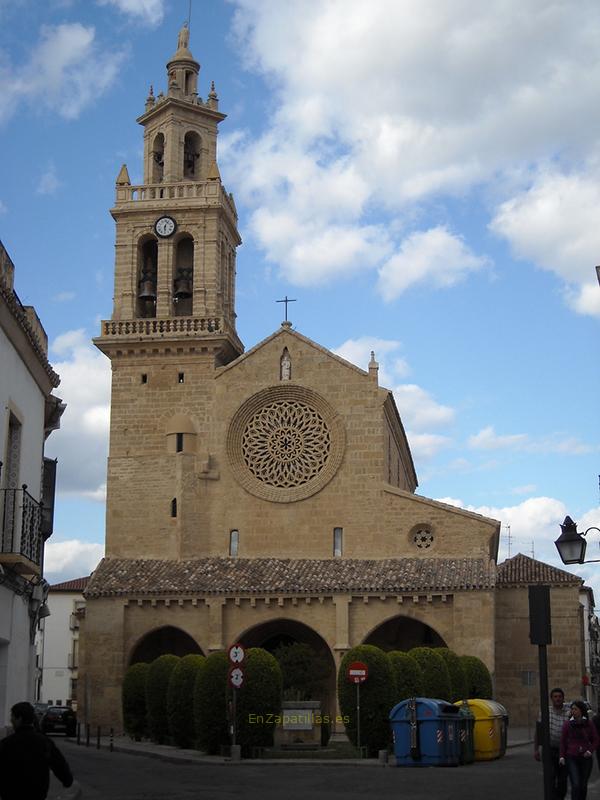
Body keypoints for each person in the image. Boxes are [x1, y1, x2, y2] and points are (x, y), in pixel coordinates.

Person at [0, 701, 74, 800]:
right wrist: (67, 781)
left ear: (19, 719)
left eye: (12, 717)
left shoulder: (6, 744)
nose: (11, 720)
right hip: (37, 795)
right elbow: (59, 764)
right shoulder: (45, 742)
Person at [534, 687, 571, 799]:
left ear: (563, 698)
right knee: (550, 777)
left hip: (564, 751)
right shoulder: (545, 712)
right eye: (555, 697)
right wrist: (536, 749)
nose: (557, 699)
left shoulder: (569, 712)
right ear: (551, 699)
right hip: (549, 750)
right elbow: (539, 731)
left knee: (562, 780)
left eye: (560, 697)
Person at [559, 700, 600, 800]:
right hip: (572, 757)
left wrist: (590, 751)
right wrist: (562, 756)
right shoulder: (567, 724)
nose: (573, 711)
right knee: (576, 784)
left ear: (581, 710)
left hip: (586, 758)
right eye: (572, 709)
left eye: (575, 709)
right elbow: (563, 741)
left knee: (583, 785)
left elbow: (596, 739)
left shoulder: (589, 724)